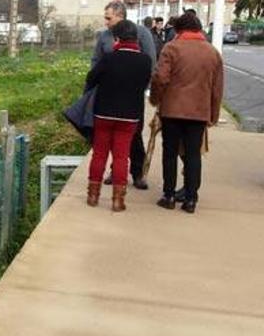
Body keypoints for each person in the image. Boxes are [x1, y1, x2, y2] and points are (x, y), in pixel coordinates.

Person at [150, 12, 224, 214]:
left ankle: (169, 195)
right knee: (193, 155)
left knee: (170, 154)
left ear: (179, 30)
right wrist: (213, 115)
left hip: (172, 111)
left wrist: (155, 99)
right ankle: (191, 199)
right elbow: (217, 89)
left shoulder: (171, 48)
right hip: (199, 112)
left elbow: (160, 78)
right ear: (199, 29)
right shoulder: (212, 52)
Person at [85, 20, 152, 211]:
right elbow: (145, 82)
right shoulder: (145, 60)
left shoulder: (109, 58)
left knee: (99, 154)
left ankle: (93, 195)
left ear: (117, 38)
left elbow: (91, 78)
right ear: (136, 39)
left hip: (103, 113)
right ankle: (117, 200)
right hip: (130, 115)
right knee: (122, 157)